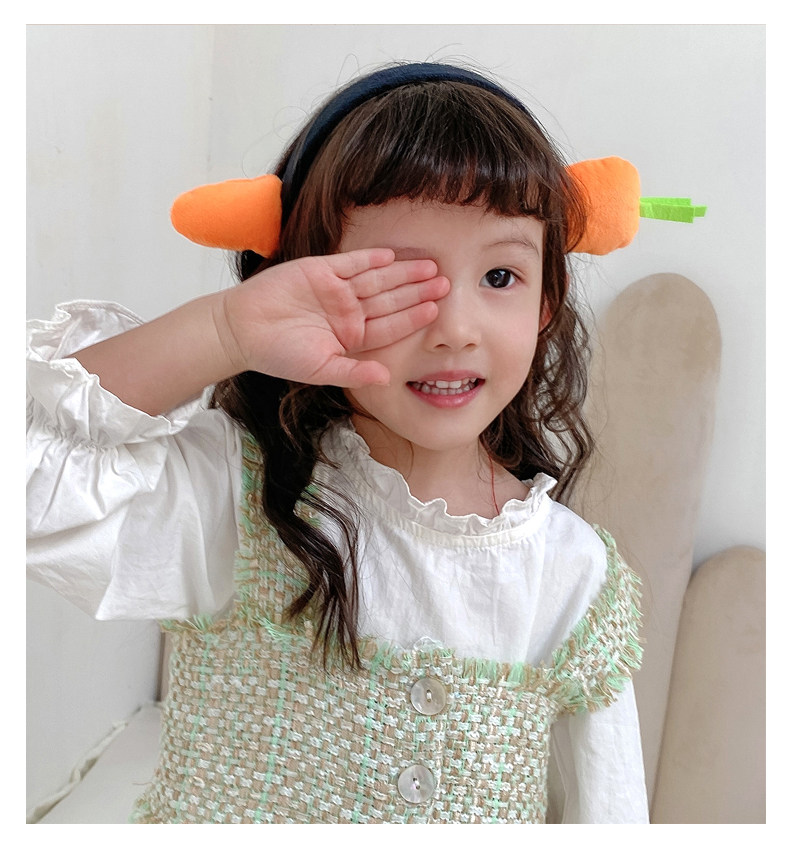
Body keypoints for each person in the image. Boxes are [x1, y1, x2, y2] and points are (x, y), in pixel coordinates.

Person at [27, 62, 649, 823]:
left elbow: (610, 813)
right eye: (398, 282)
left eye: (499, 276)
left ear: (547, 301)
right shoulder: (238, 497)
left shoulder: (575, 576)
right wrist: (225, 329)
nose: (454, 328)